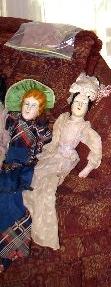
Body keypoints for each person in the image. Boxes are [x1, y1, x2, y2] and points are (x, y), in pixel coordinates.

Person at [23, 73, 104, 250]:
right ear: (71, 102)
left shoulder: (84, 127)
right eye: (77, 101)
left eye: (84, 103)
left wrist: (89, 167)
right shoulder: (62, 119)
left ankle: (42, 232)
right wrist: (43, 151)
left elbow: (96, 142)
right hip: (53, 153)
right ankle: (22, 217)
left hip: (65, 158)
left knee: (47, 185)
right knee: (31, 177)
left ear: (88, 108)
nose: (79, 104)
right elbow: (54, 140)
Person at [0, 79, 54, 271]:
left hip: (24, 167)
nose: (29, 108)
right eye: (26, 103)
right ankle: (10, 249)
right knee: (5, 197)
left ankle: (7, 253)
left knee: (10, 196)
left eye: (34, 105)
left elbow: (47, 146)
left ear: (40, 110)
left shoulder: (39, 128)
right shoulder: (12, 119)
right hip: (7, 163)